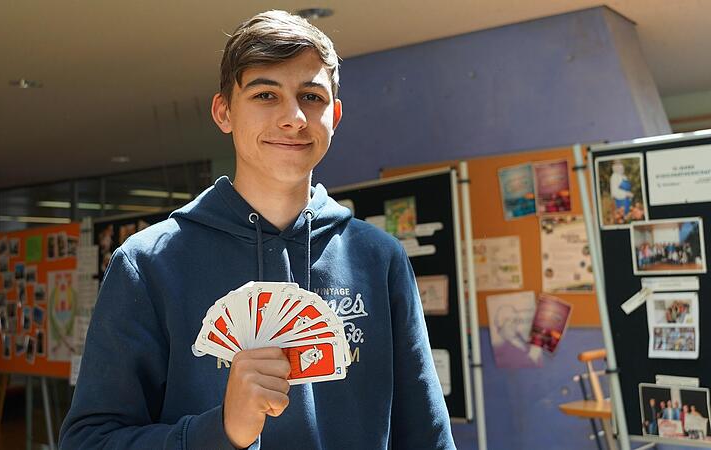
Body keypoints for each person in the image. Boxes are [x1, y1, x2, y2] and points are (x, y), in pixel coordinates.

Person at [59, 9, 454, 450]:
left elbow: (428, 437)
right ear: (223, 111)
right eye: (266, 95)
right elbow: (88, 441)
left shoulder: (378, 257)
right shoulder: (148, 263)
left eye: (312, 97)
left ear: (335, 115)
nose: (294, 118)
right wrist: (221, 430)